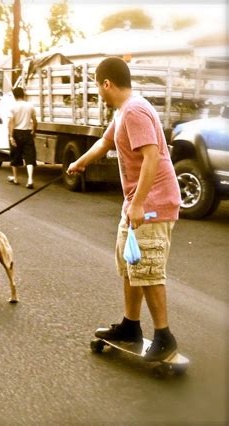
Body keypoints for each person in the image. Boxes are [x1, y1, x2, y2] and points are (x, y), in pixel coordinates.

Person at [67, 57, 182, 361]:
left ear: (107, 83)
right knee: (130, 263)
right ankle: (131, 325)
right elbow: (105, 143)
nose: (98, 93)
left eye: (97, 87)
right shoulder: (123, 111)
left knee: (148, 269)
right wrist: (80, 163)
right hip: (136, 202)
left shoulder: (134, 110)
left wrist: (140, 202)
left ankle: (164, 336)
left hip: (152, 203)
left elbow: (152, 156)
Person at [7, 87, 38, 189]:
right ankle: (30, 180)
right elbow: (34, 121)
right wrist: (34, 130)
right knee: (29, 157)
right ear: (23, 94)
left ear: (14, 95)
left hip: (16, 133)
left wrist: (11, 136)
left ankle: (15, 178)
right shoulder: (30, 106)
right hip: (27, 133)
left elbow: (11, 122)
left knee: (15, 155)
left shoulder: (12, 107)